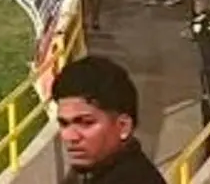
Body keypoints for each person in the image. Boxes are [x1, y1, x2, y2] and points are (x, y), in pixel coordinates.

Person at [52, 55, 163, 183]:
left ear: (123, 126)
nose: (70, 137)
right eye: (64, 124)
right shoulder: (87, 173)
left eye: (86, 123)